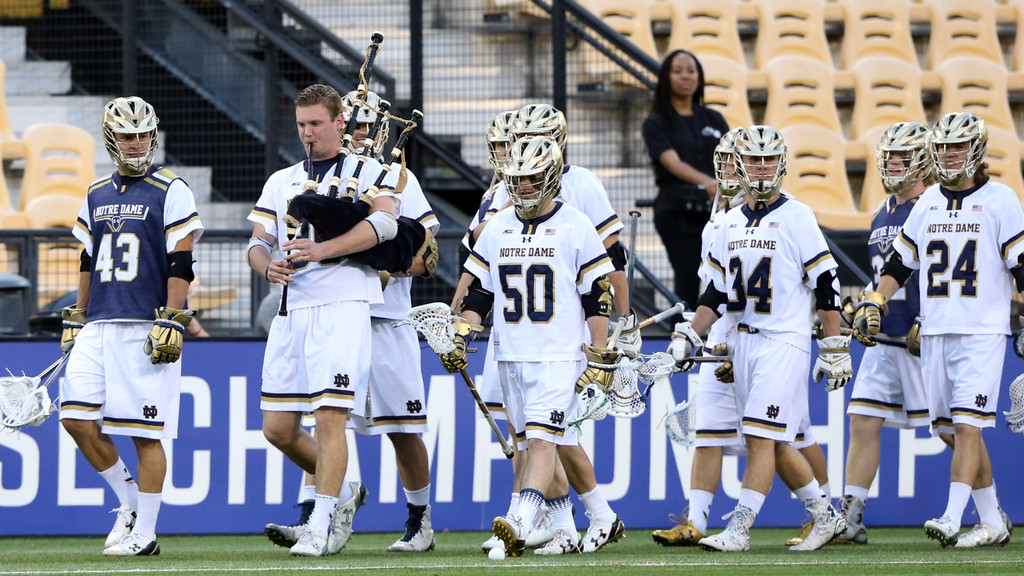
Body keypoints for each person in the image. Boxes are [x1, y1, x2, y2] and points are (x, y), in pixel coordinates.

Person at [264, 89, 439, 553]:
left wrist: (375, 257)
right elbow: (262, 239)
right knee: (320, 416)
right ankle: (317, 512)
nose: (360, 132)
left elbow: (424, 251)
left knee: (401, 426)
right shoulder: (292, 176)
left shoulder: (391, 176)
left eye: (365, 125)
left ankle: (418, 519)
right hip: (315, 306)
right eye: (355, 124)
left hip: (382, 314)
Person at [667, 125, 849, 552]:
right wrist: (691, 334)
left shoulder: (797, 215)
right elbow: (715, 293)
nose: (762, 168)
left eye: (769, 159)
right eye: (754, 160)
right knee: (772, 439)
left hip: (783, 339)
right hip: (744, 342)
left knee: (761, 436)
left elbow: (825, 281)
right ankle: (826, 517)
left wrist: (834, 344)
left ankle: (739, 530)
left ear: (781, 162)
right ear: (740, 164)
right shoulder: (729, 222)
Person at [458, 105, 629, 554]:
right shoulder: (497, 224)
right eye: (517, 180)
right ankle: (587, 523)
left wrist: (600, 350)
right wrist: (462, 331)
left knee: (539, 441)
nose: (525, 187)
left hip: (559, 354)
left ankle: (517, 522)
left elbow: (598, 295)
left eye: (533, 178)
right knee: (559, 439)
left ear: (553, 176)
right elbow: (481, 294)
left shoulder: (575, 224)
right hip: (511, 352)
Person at [853, 111, 1020, 548]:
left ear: (976, 150)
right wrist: (877, 298)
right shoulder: (927, 203)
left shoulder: (1001, 198)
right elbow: (899, 263)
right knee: (950, 427)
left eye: (957, 147)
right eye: (942, 147)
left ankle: (950, 515)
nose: (948, 155)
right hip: (937, 333)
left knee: (966, 426)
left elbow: (1021, 267)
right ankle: (992, 522)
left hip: (981, 332)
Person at [246, 83, 392, 557]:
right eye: (301, 124)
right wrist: (266, 265)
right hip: (291, 308)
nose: (308, 133)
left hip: (342, 304)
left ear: (339, 123)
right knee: (278, 428)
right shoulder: (282, 178)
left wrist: (323, 249)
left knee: (330, 418)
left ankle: (321, 521)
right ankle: (344, 492)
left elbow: (386, 226)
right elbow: (257, 241)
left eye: (316, 124)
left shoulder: (371, 170)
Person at [59, 96, 203, 556]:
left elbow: (182, 257)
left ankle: (146, 534)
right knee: (76, 418)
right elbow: (87, 258)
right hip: (99, 323)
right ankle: (129, 504)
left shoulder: (171, 187)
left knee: (146, 433)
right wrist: (78, 315)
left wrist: (174, 319)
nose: (137, 143)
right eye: (127, 135)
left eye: (143, 134)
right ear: (111, 138)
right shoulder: (96, 191)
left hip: (144, 323)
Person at [641, 49, 729, 307]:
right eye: (677, 71)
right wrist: (709, 183)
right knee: (687, 282)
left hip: (717, 211)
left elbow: (732, 157)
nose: (685, 77)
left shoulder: (713, 117)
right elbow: (672, 162)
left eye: (691, 71)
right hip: (677, 212)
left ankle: (720, 340)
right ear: (666, 78)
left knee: (723, 279)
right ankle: (682, 340)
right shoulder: (656, 121)